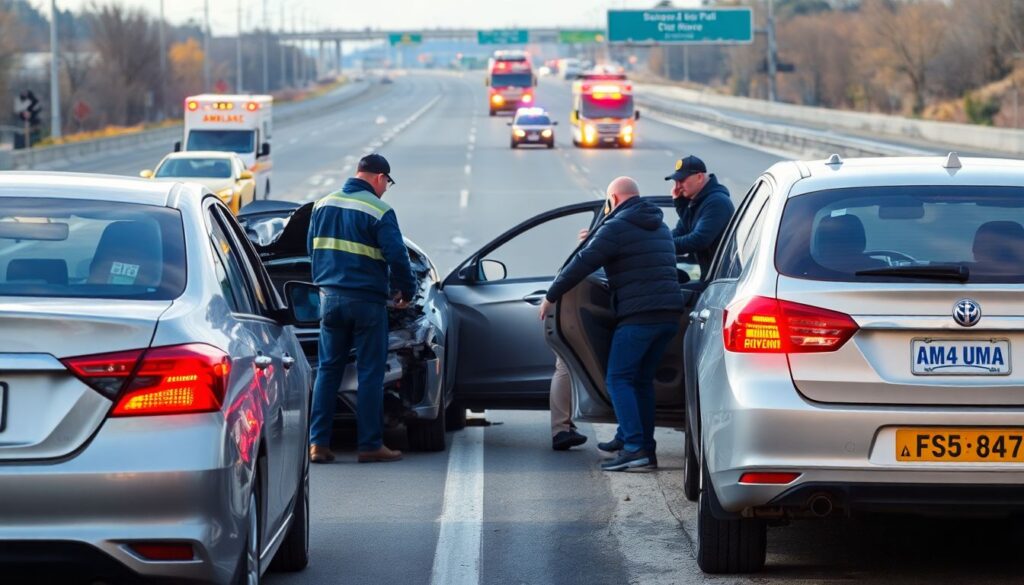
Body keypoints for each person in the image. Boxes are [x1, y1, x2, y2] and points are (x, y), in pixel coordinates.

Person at [539, 177, 684, 471]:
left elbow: (582, 263)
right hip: (669, 315)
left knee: (618, 379)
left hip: (639, 316)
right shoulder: (660, 227)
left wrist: (551, 296)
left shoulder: (616, 226)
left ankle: (634, 447)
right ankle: (643, 446)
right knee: (641, 381)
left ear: (614, 200)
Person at [307, 153, 416, 464]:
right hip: (367, 302)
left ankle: (319, 444)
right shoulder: (379, 210)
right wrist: (405, 291)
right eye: (387, 183)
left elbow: (311, 249)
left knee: (328, 371)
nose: (385, 189)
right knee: (370, 372)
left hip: (330, 300)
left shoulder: (322, 204)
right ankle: (369, 444)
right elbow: (398, 256)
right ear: (380, 177)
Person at [550, 229, 591, 452]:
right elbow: (567, 275)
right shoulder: (608, 238)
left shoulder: (609, 234)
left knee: (566, 366)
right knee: (565, 366)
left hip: (573, 313)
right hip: (575, 314)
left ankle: (563, 427)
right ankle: (560, 430)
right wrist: (549, 298)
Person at [666, 155, 734, 277]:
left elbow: (698, 240)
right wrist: (680, 204)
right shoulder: (696, 202)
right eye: (675, 182)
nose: (677, 187)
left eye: (681, 180)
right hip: (709, 274)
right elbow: (681, 231)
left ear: (699, 177)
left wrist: (662, 245)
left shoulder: (717, 202)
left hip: (721, 279)